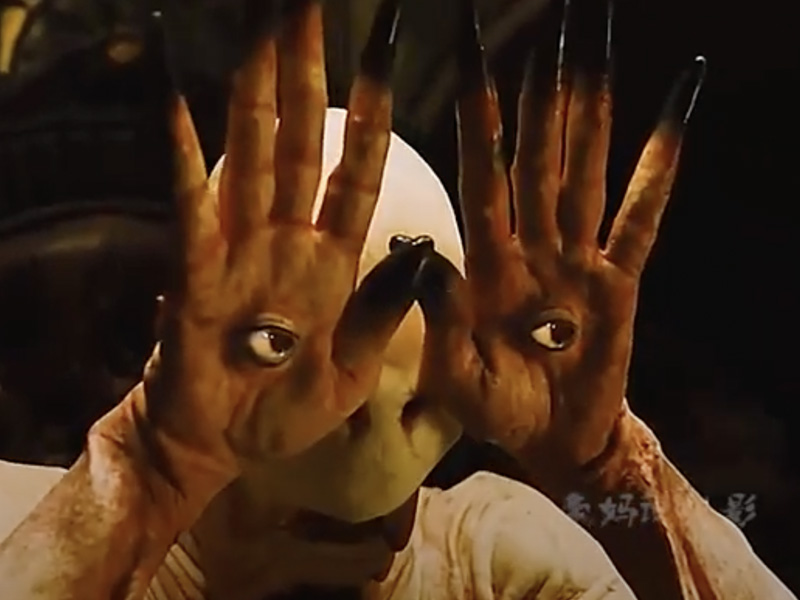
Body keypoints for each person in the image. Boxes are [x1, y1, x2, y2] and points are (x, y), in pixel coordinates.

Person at [0, 0, 794, 599]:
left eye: (420, 394)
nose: (363, 427)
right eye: (279, 350)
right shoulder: (23, 520)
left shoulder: (500, 565)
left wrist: (615, 470)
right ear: (170, 342)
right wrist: (143, 475)